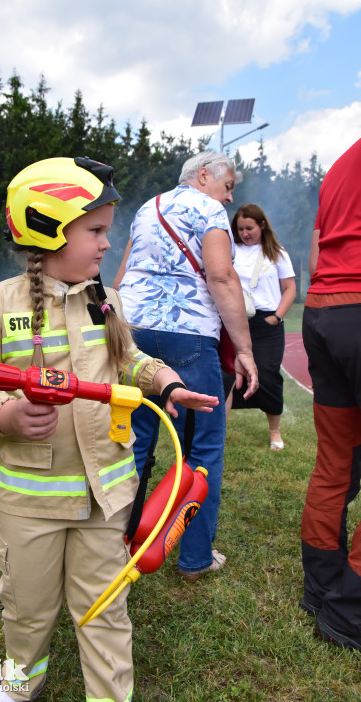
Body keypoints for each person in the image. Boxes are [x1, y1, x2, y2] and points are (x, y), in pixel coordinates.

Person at [0, 156, 219, 702]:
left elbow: (130, 359)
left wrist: (166, 383)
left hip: (106, 497)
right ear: (47, 226)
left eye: (106, 233)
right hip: (30, 503)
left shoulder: (105, 300)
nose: (105, 246)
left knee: (106, 609)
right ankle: (20, 686)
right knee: (27, 608)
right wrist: (6, 415)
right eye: (95, 231)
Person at [114, 150, 258, 583]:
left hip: (133, 332)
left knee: (135, 444)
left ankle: (116, 547)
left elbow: (122, 277)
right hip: (188, 336)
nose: (230, 198)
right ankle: (194, 556)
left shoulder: (147, 207)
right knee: (203, 449)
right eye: (228, 186)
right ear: (203, 176)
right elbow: (221, 276)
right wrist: (246, 351)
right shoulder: (208, 208)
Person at [300, 138, 361, 651]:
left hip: (325, 306)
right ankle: (352, 611)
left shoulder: (341, 161)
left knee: (335, 461)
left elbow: (319, 246)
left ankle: (320, 588)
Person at [225, 204, 296, 450]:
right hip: (234, 320)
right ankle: (219, 430)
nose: (245, 233)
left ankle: (274, 432)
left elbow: (290, 289)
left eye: (250, 228)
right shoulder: (229, 250)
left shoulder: (277, 253)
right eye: (240, 228)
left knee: (268, 375)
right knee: (228, 376)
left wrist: (276, 317)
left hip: (267, 324)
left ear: (262, 225)